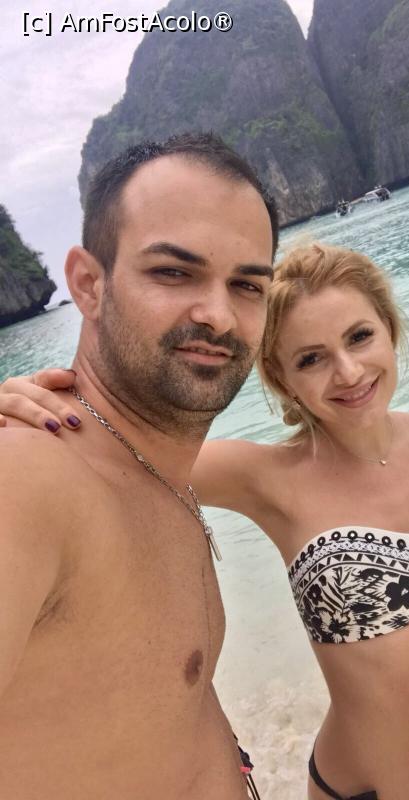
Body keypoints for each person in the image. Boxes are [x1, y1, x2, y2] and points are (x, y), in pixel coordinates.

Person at [3, 243, 409, 800]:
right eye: (311, 359)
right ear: (281, 378)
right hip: (371, 787)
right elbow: (107, 452)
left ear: (389, 330)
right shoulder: (266, 478)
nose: (348, 372)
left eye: (359, 337)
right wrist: (22, 407)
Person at [0, 132, 279, 800]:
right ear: (88, 285)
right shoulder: (27, 481)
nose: (218, 315)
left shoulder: (156, 471)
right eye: (173, 273)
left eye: (247, 284)